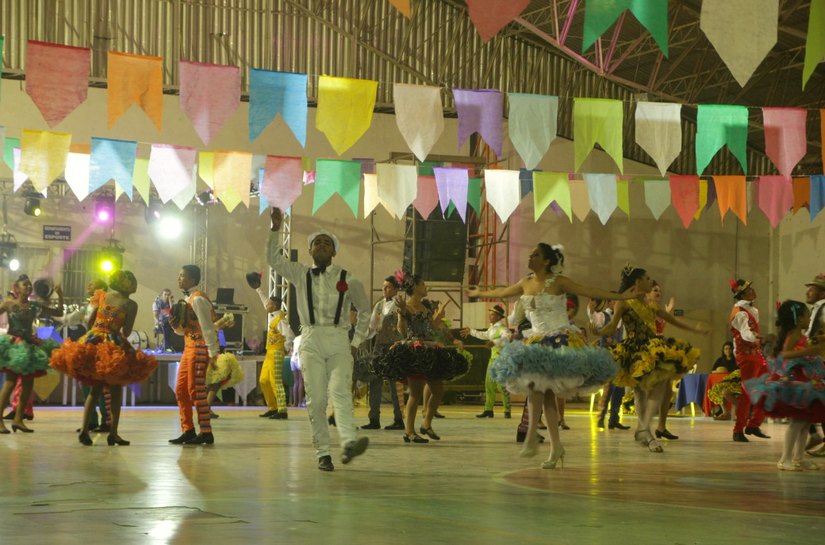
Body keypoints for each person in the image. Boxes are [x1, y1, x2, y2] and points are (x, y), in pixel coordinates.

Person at [468, 244, 629, 469]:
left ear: (545, 261)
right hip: (536, 340)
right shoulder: (525, 283)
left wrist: (622, 296)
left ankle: (538, 438)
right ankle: (551, 445)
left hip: (559, 339)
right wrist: (480, 293)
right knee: (539, 390)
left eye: (535, 255)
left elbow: (588, 290)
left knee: (541, 391)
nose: (530, 257)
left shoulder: (559, 281)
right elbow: (502, 292)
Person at [267, 207, 370, 471]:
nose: (322, 245)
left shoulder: (349, 279)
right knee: (316, 399)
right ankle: (323, 452)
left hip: (338, 339)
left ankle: (348, 442)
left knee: (340, 393)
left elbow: (365, 311)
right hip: (310, 338)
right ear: (310, 251)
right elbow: (274, 260)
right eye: (316, 243)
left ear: (334, 252)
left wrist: (356, 342)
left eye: (327, 243)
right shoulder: (300, 274)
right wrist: (275, 230)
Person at [600, 266, 704, 453]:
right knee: (639, 392)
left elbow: (673, 320)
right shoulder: (623, 303)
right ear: (638, 282)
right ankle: (647, 433)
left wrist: (695, 330)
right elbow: (612, 326)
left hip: (652, 348)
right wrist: (599, 331)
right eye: (648, 279)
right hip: (633, 350)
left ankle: (644, 427)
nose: (651, 281)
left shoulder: (651, 305)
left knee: (661, 385)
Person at [50, 270, 157, 445]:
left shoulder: (101, 295)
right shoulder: (130, 305)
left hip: (94, 339)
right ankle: (113, 433)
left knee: (95, 389)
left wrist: (98, 330)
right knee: (115, 390)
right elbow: (128, 331)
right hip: (113, 342)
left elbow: (90, 321)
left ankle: (85, 429)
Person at [373, 272, 468, 444]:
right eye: (423, 284)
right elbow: (402, 331)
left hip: (429, 348)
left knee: (438, 390)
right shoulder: (406, 306)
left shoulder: (425, 307)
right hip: (414, 351)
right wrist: (402, 313)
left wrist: (438, 317)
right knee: (415, 393)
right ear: (415, 287)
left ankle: (426, 424)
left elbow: (430, 327)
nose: (426, 287)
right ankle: (409, 431)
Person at [745, 300, 825, 471]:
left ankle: (799, 457)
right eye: (806, 315)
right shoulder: (794, 335)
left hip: (805, 380)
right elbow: (785, 353)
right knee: (797, 422)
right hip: (795, 381)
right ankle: (785, 458)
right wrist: (808, 352)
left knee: (805, 422)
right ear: (797, 318)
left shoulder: (799, 335)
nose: (810, 317)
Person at [0, 275, 63, 434]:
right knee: (10, 383)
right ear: (16, 287)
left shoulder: (34, 306)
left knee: (28, 385)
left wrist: (60, 295)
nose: (28, 287)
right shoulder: (9, 304)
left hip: (29, 345)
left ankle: (19, 420)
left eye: (29, 285)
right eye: (24, 284)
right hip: (14, 346)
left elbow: (59, 312)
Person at [167, 265, 220, 446]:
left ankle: (206, 432)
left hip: (199, 348)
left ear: (192, 280)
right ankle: (188, 430)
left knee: (195, 391)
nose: (179, 279)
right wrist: (175, 326)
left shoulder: (197, 299)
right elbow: (184, 332)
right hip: (189, 348)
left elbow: (208, 327)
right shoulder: (188, 300)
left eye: (182, 276)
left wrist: (213, 353)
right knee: (181, 390)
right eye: (179, 276)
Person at [246, 272, 294, 420]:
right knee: (264, 380)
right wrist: (258, 289)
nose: (266, 305)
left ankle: (282, 410)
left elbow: (290, 335)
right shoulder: (272, 315)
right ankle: (272, 407)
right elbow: (264, 300)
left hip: (277, 352)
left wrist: (285, 348)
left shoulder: (280, 319)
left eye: (269, 304)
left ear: (274, 306)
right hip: (269, 353)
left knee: (275, 381)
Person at [728, 279, 771, 442]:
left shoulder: (750, 309)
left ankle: (753, 424)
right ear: (743, 293)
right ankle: (738, 429)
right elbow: (746, 333)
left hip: (754, 353)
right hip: (746, 355)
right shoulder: (739, 312)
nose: (753, 290)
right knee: (747, 391)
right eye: (750, 289)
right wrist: (757, 338)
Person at [361, 275, 405, 430]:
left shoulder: (401, 304)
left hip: (394, 347)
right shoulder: (379, 305)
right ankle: (374, 419)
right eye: (383, 287)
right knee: (375, 382)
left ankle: (399, 419)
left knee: (395, 385)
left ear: (395, 289)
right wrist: (360, 337)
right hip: (379, 347)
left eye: (387, 287)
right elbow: (372, 327)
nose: (384, 290)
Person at [462, 304, 512, 419]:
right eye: (490, 314)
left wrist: (494, 342)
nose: (490, 316)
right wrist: (471, 332)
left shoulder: (503, 329)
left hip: (501, 361)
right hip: (493, 360)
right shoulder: (492, 328)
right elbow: (484, 335)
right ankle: (488, 410)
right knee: (489, 386)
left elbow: (506, 338)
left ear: (499, 317)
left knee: (501, 386)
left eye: (493, 315)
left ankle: (507, 410)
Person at [588, 298, 629, 430]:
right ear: (609, 303)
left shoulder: (621, 317)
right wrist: (591, 309)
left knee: (620, 388)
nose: (618, 303)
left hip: (619, 355)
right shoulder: (603, 316)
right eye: (615, 301)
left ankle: (614, 419)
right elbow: (593, 319)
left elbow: (623, 336)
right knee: (609, 387)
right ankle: (601, 416)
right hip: (606, 356)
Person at [648, 280, 679, 441]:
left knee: (667, 391)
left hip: (662, 350)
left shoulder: (659, 309)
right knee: (652, 391)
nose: (658, 292)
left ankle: (661, 426)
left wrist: (669, 310)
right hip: (650, 352)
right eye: (655, 290)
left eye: (659, 290)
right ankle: (645, 428)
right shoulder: (646, 308)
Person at [803, 273, 825, 455]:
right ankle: (814, 433)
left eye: (812, 289)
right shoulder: (817, 309)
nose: (808, 292)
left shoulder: (824, 309)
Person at [707, 342, 740, 420]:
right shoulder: (720, 360)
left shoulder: (736, 360)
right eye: (726, 349)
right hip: (723, 381)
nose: (728, 350)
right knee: (716, 388)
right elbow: (713, 370)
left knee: (724, 390)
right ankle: (726, 412)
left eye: (729, 349)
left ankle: (741, 410)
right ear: (723, 350)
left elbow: (738, 371)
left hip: (734, 381)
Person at [290, 334, 304, 407]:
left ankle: (295, 403)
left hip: (293, 359)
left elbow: (291, 349)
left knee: (296, 382)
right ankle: (300, 402)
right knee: (301, 382)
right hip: (300, 359)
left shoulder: (296, 338)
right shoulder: (306, 337)